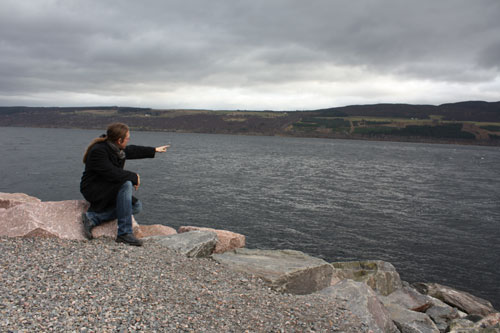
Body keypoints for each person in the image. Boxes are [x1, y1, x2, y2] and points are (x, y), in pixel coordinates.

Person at [80, 122, 169, 246]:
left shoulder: (115, 148)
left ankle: (93, 218)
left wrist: (154, 150)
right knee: (126, 183)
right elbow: (111, 173)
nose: (129, 139)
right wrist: (134, 177)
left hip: (109, 187)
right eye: (127, 138)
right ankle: (124, 233)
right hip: (94, 189)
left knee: (136, 206)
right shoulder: (98, 151)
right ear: (119, 140)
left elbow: (132, 150)